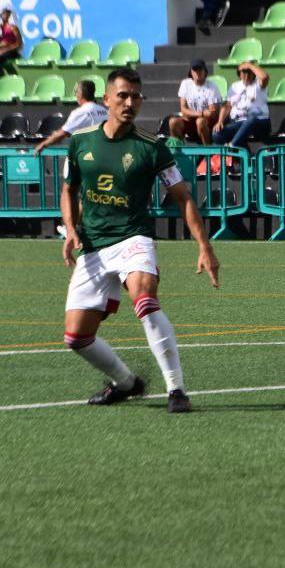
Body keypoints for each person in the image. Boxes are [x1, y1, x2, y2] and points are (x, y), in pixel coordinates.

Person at [60, 66, 221, 414]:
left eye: (136, 96)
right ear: (106, 100)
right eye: (122, 96)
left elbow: (184, 198)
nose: (130, 102)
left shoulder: (152, 148)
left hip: (134, 238)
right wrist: (71, 228)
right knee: (76, 337)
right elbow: (68, 190)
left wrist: (204, 246)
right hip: (94, 247)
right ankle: (126, 382)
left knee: (144, 300)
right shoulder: (80, 142)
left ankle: (176, 389)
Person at [32, 79, 109, 154]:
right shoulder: (104, 111)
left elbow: (63, 133)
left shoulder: (79, 112)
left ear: (81, 94)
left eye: (76, 92)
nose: (75, 95)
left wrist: (43, 144)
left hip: (85, 156)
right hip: (104, 153)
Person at [213, 61, 271, 147]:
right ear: (239, 74)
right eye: (244, 72)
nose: (246, 75)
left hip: (260, 122)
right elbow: (227, 106)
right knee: (217, 133)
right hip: (239, 122)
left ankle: (232, 146)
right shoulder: (235, 86)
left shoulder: (258, 84)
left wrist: (249, 65)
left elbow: (264, 77)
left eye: (249, 72)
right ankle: (239, 154)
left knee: (251, 119)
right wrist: (220, 121)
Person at [169, 58, 223, 143]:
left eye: (200, 69)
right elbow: (183, 110)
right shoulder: (185, 84)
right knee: (173, 122)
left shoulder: (212, 86)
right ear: (190, 72)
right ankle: (179, 151)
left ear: (205, 71)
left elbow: (212, 112)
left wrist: (199, 115)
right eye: (195, 69)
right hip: (190, 120)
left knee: (200, 121)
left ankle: (207, 151)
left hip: (207, 123)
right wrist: (201, 113)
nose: (197, 72)